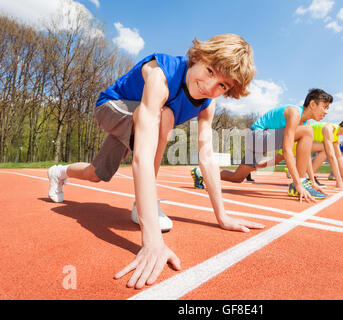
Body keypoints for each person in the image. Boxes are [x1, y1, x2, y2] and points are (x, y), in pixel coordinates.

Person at [47, 34, 264, 289]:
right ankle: (144, 206)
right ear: (197, 57)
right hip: (111, 108)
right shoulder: (160, 76)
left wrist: (223, 215)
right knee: (166, 116)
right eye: (209, 71)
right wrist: (151, 241)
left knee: (98, 173)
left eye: (223, 86)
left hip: (141, 119)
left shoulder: (207, 105)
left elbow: (206, 156)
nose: (209, 86)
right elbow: (142, 156)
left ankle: (59, 172)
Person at [191, 88, 333, 202]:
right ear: (313, 104)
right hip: (257, 136)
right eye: (324, 107)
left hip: (259, 141)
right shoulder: (294, 113)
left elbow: (304, 156)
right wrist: (298, 183)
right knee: (306, 132)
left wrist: (312, 181)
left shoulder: (305, 124)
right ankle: (300, 183)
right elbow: (287, 149)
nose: (326, 112)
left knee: (238, 177)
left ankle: (202, 173)